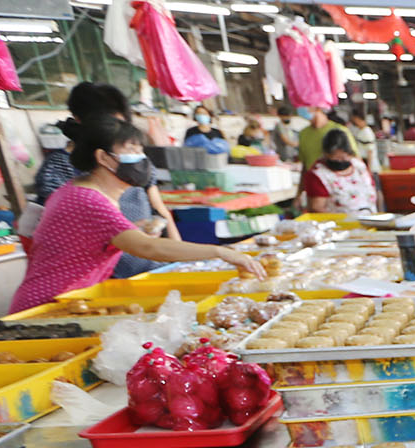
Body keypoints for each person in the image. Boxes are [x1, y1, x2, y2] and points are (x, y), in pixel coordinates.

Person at [14, 116, 264, 313]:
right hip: (48, 305)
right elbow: (149, 249)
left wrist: (135, 229)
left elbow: (91, 240)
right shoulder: (88, 199)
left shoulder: (83, 192)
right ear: (103, 157)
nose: (140, 157)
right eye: (131, 148)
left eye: (140, 149)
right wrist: (219, 251)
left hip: (68, 300)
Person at [33, 82, 179, 279]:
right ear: (79, 120)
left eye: (122, 124)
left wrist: (179, 260)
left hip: (147, 265)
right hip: (101, 275)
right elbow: (61, 234)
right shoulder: (60, 169)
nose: (117, 132)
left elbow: (160, 209)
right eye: (109, 124)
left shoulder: (131, 159)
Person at [300, 129, 379, 215]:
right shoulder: (318, 174)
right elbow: (317, 208)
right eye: (336, 159)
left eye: (343, 158)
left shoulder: (359, 166)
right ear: (326, 154)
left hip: (371, 221)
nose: (340, 162)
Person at [295, 106, 338, 173]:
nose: (300, 107)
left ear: (317, 107)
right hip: (313, 180)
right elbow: (305, 164)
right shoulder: (304, 133)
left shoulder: (338, 131)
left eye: (305, 104)